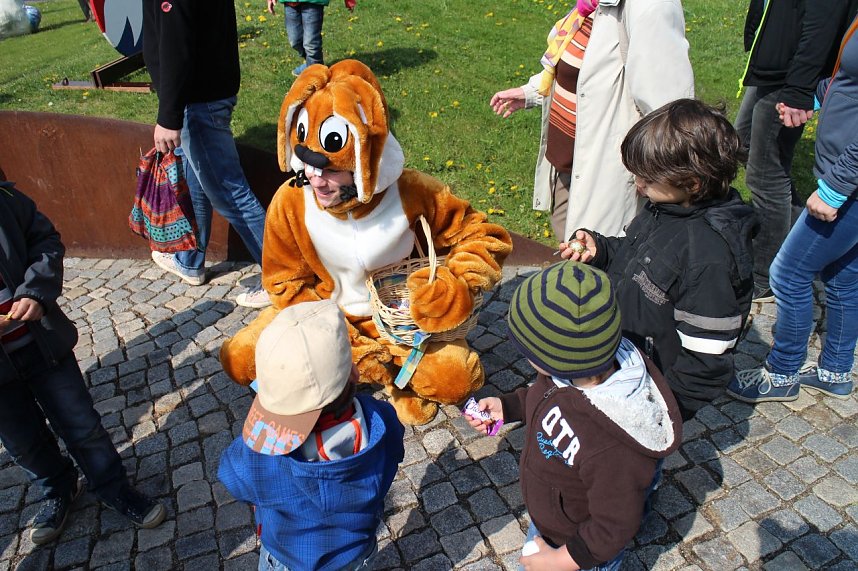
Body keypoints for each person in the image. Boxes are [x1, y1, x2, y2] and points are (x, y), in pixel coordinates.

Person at [219, 60, 512, 426]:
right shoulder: (291, 200)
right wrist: (345, 343)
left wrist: (456, 285)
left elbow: (483, 235)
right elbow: (284, 284)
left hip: (401, 321)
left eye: (330, 169)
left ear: (364, 159)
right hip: (323, 316)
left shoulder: (413, 191)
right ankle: (384, 375)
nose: (315, 180)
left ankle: (388, 374)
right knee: (239, 358)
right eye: (308, 165)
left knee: (454, 379)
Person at [465, 261, 683, 570]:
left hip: (578, 550)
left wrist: (560, 560)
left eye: (528, 351)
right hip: (551, 522)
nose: (524, 357)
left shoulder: (613, 445)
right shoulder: (572, 371)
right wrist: (508, 406)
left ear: (559, 358)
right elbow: (546, 395)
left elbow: (614, 526)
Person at [559, 99, 758, 420]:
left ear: (692, 183)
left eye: (647, 179)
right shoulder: (667, 208)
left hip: (654, 388)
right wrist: (602, 250)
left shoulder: (709, 256)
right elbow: (638, 256)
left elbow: (706, 360)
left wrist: (662, 412)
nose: (638, 185)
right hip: (626, 359)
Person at [0, 181, 166, 545]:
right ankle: (59, 488)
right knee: (23, 443)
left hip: (42, 344)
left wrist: (35, 291)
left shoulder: (6, 199)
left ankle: (113, 486)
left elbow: (45, 241)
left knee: (81, 424)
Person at [218, 299, 404, 571]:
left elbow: (231, 476)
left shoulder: (263, 456)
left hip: (288, 559)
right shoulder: (382, 419)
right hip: (356, 553)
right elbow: (395, 452)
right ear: (354, 373)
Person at [727, 17, 858, 403]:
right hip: (845, 178)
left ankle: (782, 373)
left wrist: (835, 189)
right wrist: (813, 97)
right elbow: (847, 79)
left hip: (849, 186)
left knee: (788, 274)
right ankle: (834, 372)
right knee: (843, 279)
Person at [489, 0, 694, 240]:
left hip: (605, 176)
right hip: (569, 166)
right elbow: (577, 61)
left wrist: (649, 172)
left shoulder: (651, 7)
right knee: (571, 248)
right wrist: (533, 91)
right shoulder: (594, 3)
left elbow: (669, 111)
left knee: (598, 256)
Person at [141, 0, 271, 309]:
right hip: (203, 93)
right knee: (198, 181)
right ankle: (189, 260)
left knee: (230, 193)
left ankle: (282, 278)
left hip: (198, 99)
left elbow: (176, 41)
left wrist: (169, 116)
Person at [734, 0, 858, 302]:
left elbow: (823, 22)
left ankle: (764, 274)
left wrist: (799, 89)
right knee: (743, 143)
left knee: (766, 174)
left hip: (791, 72)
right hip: (773, 62)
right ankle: (794, 237)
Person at [266, 0, 354, 78]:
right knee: (295, 41)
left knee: (311, 44)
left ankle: (317, 75)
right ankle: (311, 63)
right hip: (290, 3)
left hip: (313, 3)